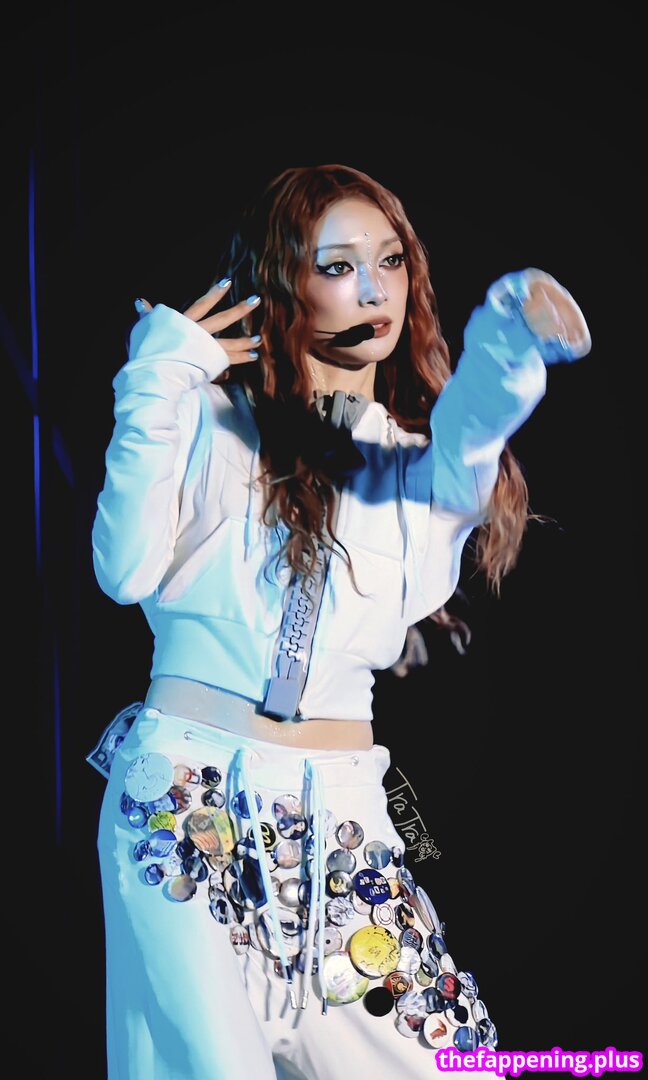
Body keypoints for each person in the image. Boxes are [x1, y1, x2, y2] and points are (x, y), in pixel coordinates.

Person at [91, 163, 591, 1080]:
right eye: (338, 266)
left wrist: (512, 337)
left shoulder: (413, 470)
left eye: (391, 261)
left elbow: (475, 427)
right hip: (188, 807)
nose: (374, 289)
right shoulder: (205, 418)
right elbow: (122, 571)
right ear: (284, 281)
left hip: (346, 827)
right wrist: (153, 382)